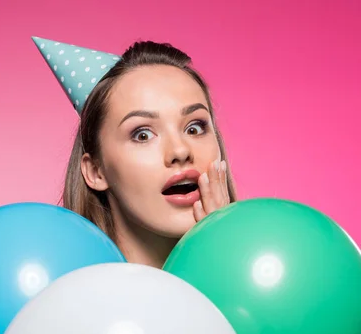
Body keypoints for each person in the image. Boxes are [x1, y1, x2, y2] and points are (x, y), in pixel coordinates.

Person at [33, 37, 236, 269]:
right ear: (96, 171)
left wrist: (223, 248)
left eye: (195, 128)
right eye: (143, 135)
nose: (180, 151)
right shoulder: (69, 296)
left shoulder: (256, 276)